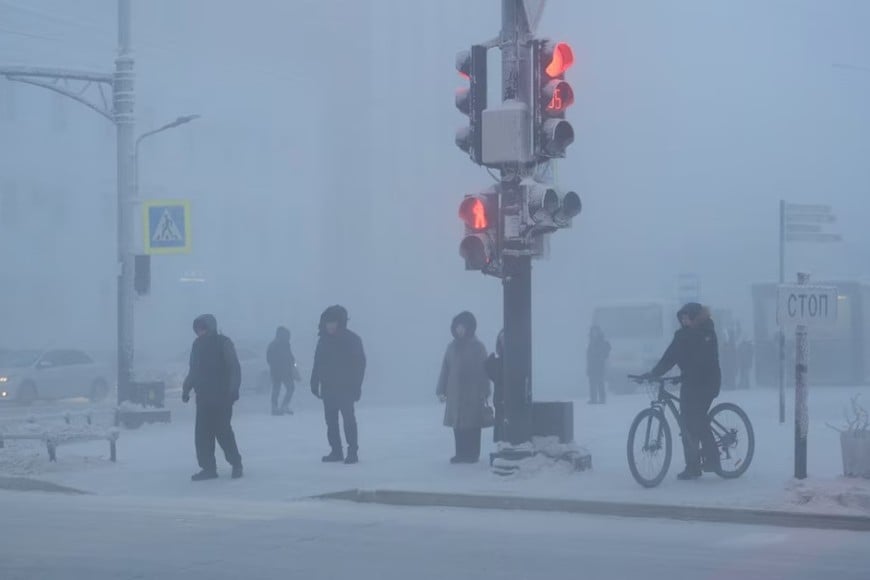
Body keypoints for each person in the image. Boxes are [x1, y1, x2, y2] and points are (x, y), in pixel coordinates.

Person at [644, 303, 721, 480]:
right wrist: (654, 373)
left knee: (697, 420)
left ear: (695, 317)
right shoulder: (681, 336)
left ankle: (713, 459)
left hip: (707, 384)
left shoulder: (707, 333)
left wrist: (687, 374)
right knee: (685, 423)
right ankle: (692, 467)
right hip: (689, 383)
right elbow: (670, 357)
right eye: (682, 318)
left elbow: (704, 360)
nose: (684, 320)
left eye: (687, 317)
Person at [182, 314, 243, 481]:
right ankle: (208, 468)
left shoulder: (223, 343)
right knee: (202, 435)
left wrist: (233, 390)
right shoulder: (197, 346)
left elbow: (234, 367)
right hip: (203, 398)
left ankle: (236, 464)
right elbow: (194, 370)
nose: (200, 331)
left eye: (203, 328)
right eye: (197, 329)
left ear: (210, 327)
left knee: (223, 432)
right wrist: (186, 388)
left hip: (222, 397)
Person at [310, 305, 366, 464]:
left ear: (340, 323)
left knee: (348, 420)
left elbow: (360, 365)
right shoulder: (323, 341)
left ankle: (352, 451)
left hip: (346, 388)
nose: (330, 326)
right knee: (331, 421)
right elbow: (317, 362)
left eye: (334, 322)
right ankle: (336, 451)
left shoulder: (352, 340)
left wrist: (356, 386)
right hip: (328, 388)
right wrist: (314, 381)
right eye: (328, 323)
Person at [437, 311, 491, 464]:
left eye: (463, 327)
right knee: (458, 424)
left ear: (469, 328)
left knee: (473, 424)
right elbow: (445, 369)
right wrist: (441, 390)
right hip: (455, 393)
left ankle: (472, 454)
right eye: (457, 327)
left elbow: (484, 371)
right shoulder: (451, 347)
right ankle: (460, 453)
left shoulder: (478, 347)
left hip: (473, 393)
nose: (459, 330)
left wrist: (485, 391)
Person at [267, 326, 297, 416]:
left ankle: (280, 407)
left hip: (283, 371)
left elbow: (289, 356)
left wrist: (292, 362)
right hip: (280, 371)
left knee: (284, 388)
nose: (288, 337)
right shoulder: (275, 345)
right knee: (281, 389)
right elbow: (270, 359)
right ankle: (277, 407)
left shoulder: (284, 344)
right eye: (287, 335)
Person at [485, 330, 505, 443]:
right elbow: (495, 377)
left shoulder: (515, 357)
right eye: (501, 339)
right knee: (500, 425)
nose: (504, 341)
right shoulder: (496, 360)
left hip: (511, 399)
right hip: (499, 398)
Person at [586, 325, 611, 404]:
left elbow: (605, 352)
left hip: (599, 365)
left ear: (598, 332)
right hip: (592, 366)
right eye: (593, 331)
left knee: (600, 382)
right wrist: (588, 367)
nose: (594, 333)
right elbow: (589, 356)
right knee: (592, 383)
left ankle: (602, 399)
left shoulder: (601, 341)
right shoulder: (591, 342)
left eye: (596, 331)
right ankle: (593, 399)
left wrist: (600, 356)